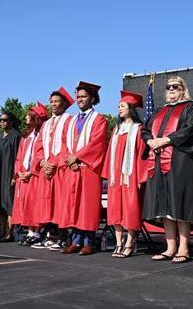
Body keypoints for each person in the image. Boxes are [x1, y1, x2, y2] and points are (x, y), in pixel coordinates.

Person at [141, 76, 193, 264]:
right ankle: (170, 248)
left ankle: (183, 248)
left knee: (180, 203)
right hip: (159, 163)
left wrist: (166, 140)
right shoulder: (159, 111)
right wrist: (151, 141)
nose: (171, 89)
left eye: (175, 86)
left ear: (183, 89)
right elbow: (145, 130)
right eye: (168, 87)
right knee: (165, 207)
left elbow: (191, 130)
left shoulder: (191, 107)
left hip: (180, 163)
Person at [59, 81, 108, 256]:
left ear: (92, 98)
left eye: (83, 96)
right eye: (78, 97)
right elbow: (65, 143)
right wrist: (69, 160)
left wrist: (78, 157)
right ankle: (75, 240)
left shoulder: (99, 119)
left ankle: (88, 242)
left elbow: (97, 143)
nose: (79, 99)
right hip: (72, 169)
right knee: (74, 204)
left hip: (88, 169)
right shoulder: (71, 121)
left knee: (87, 205)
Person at [101, 91, 148, 258]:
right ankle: (118, 243)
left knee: (130, 209)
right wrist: (109, 174)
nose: (119, 109)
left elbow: (142, 155)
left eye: (122, 106)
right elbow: (109, 155)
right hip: (116, 178)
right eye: (118, 106)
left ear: (131, 108)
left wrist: (140, 177)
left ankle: (129, 242)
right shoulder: (116, 129)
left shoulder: (138, 129)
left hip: (130, 177)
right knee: (115, 210)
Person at [30, 87, 74, 250]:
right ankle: (50, 236)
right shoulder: (46, 124)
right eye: (52, 102)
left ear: (64, 104)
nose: (54, 105)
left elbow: (69, 146)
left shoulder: (69, 121)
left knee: (60, 203)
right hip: (46, 169)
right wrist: (42, 163)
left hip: (60, 169)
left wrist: (55, 163)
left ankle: (62, 237)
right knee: (46, 203)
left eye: (57, 102)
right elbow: (39, 146)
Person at [11, 102, 49, 246]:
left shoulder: (43, 135)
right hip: (24, 176)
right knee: (26, 205)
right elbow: (19, 157)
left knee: (35, 204)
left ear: (36, 118)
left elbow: (42, 155)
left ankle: (37, 232)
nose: (26, 117)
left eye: (29, 115)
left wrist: (31, 172)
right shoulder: (26, 137)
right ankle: (30, 231)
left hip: (35, 176)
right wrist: (18, 172)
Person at [0, 111, 21, 242]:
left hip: (8, 174)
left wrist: (15, 175)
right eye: (0, 120)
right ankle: (1, 232)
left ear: (11, 121)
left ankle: (10, 233)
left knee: (9, 203)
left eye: (5, 120)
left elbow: (19, 157)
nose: (2, 122)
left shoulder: (16, 136)